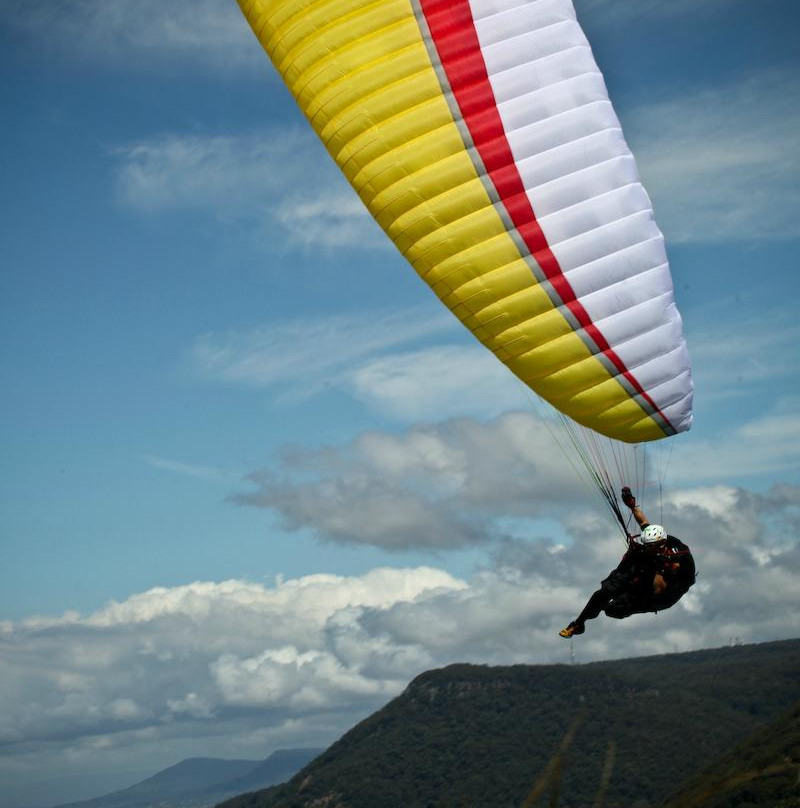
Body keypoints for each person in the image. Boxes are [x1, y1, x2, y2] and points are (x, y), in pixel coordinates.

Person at [559, 486, 695, 638]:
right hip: (649, 570)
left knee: (613, 610)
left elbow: (660, 587)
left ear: (660, 544)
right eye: (646, 544)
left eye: (649, 546)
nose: (646, 547)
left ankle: (623, 599)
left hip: (666, 592)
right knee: (602, 594)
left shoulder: (676, 556)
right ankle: (578, 624)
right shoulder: (653, 538)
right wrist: (631, 504)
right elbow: (642, 519)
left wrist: (657, 571)